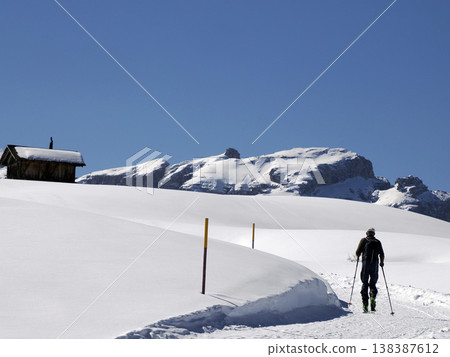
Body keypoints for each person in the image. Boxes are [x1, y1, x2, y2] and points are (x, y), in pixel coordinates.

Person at [356, 228, 385, 312]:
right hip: (374, 265)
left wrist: (359, 255)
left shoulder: (363, 240)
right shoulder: (378, 242)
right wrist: (381, 263)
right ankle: (372, 298)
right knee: (372, 283)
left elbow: (357, 252)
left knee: (364, 283)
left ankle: (365, 304)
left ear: (367, 233)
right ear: (374, 234)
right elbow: (382, 254)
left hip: (366, 264)